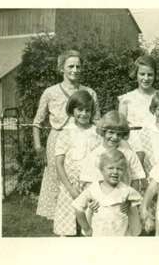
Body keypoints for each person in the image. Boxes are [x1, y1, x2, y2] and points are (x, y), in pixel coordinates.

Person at [33, 50, 100, 220]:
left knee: (84, 175)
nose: (75, 70)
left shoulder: (90, 92)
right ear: (61, 68)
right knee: (57, 176)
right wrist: (38, 146)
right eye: (70, 66)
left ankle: (84, 218)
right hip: (58, 139)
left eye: (78, 66)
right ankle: (60, 219)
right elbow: (37, 122)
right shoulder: (50, 92)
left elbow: (97, 120)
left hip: (83, 138)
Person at [53, 90, 100, 236]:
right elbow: (59, 163)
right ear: (72, 110)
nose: (84, 114)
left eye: (88, 110)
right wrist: (70, 188)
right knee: (67, 223)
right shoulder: (66, 132)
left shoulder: (96, 132)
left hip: (91, 183)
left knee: (91, 222)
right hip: (70, 185)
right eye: (80, 110)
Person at [73, 149, 142, 236]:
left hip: (120, 235)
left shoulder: (126, 190)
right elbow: (78, 207)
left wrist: (128, 204)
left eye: (119, 169)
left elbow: (136, 208)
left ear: (124, 171)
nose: (115, 172)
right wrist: (86, 228)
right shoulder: (93, 189)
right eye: (110, 168)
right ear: (102, 170)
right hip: (98, 235)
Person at [80, 110, 146, 192]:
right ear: (103, 132)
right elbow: (88, 182)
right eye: (111, 132)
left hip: (123, 198)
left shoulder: (129, 154)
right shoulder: (94, 155)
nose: (114, 137)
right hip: (101, 200)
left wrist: (131, 199)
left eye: (119, 134)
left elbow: (136, 178)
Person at [118, 55, 158, 163]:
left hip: (155, 144)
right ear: (136, 74)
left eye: (150, 75)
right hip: (133, 144)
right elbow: (120, 129)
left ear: (155, 76)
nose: (146, 78)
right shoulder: (126, 99)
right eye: (142, 74)